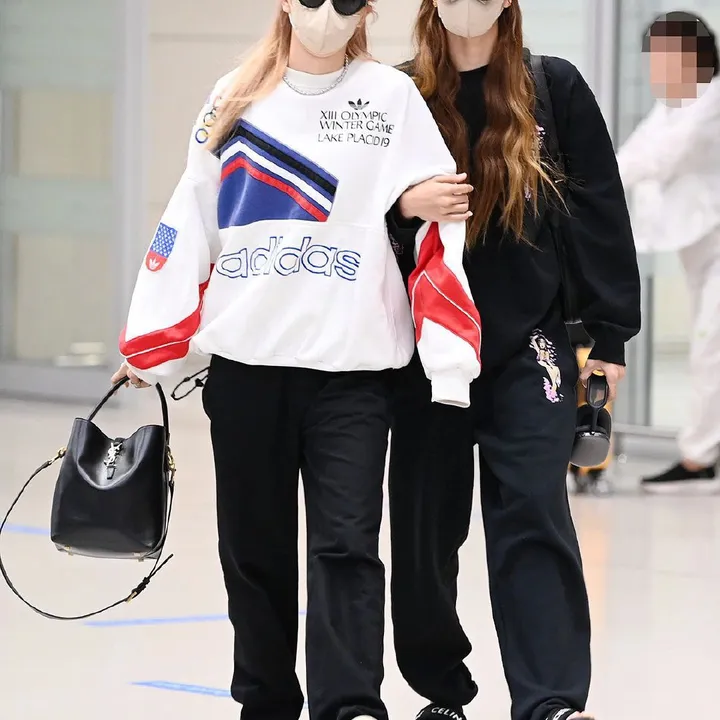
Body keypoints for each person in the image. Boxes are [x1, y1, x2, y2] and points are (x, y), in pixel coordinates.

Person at [111, 2, 483, 720]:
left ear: (366, 10)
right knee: (254, 552)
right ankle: (266, 701)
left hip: (354, 373)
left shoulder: (391, 98)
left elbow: (441, 230)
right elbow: (192, 216)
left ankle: (351, 704)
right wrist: (152, 341)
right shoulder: (234, 96)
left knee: (348, 546)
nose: (326, 13)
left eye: (345, 1)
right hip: (248, 369)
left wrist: (448, 359)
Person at [385, 2, 641, 720]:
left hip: (529, 344)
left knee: (533, 510)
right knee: (425, 530)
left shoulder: (551, 89)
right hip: (425, 348)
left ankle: (549, 700)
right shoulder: (397, 95)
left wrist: (609, 338)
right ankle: (442, 693)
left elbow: (599, 209)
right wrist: (405, 205)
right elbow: (358, 213)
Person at [616, 11, 720, 493]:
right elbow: (631, 155)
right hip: (701, 249)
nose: (655, 68)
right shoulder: (676, 104)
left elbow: (658, 158)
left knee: (710, 346)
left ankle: (700, 460)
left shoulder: (712, 101)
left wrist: (591, 181)